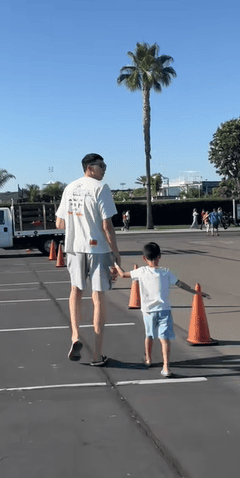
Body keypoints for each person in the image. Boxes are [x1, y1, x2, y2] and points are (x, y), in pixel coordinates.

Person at [56, 153, 121, 366]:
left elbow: (59, 223)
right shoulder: (101, 188)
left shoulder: (69, 188)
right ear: (89, 168)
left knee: (75, 291)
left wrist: (77, 224)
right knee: (98, 296)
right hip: (98, 249)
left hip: (74, 248)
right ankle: (97, 355)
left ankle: (75, 336)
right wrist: (116, 253)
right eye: (101, 165)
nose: (104, 169)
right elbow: (107, 226)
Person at [113, 242, 210, 377]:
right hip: (164, 310)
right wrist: (196, 292)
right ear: (159, 256)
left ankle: (148, 359)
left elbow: (123, 275)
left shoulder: (141, 271)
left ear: (144, 258)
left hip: (148, 311)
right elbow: (180, 284)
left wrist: (116, 265)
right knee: (164, 339)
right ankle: (166, 367)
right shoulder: (166, 272)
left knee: (149, 335)